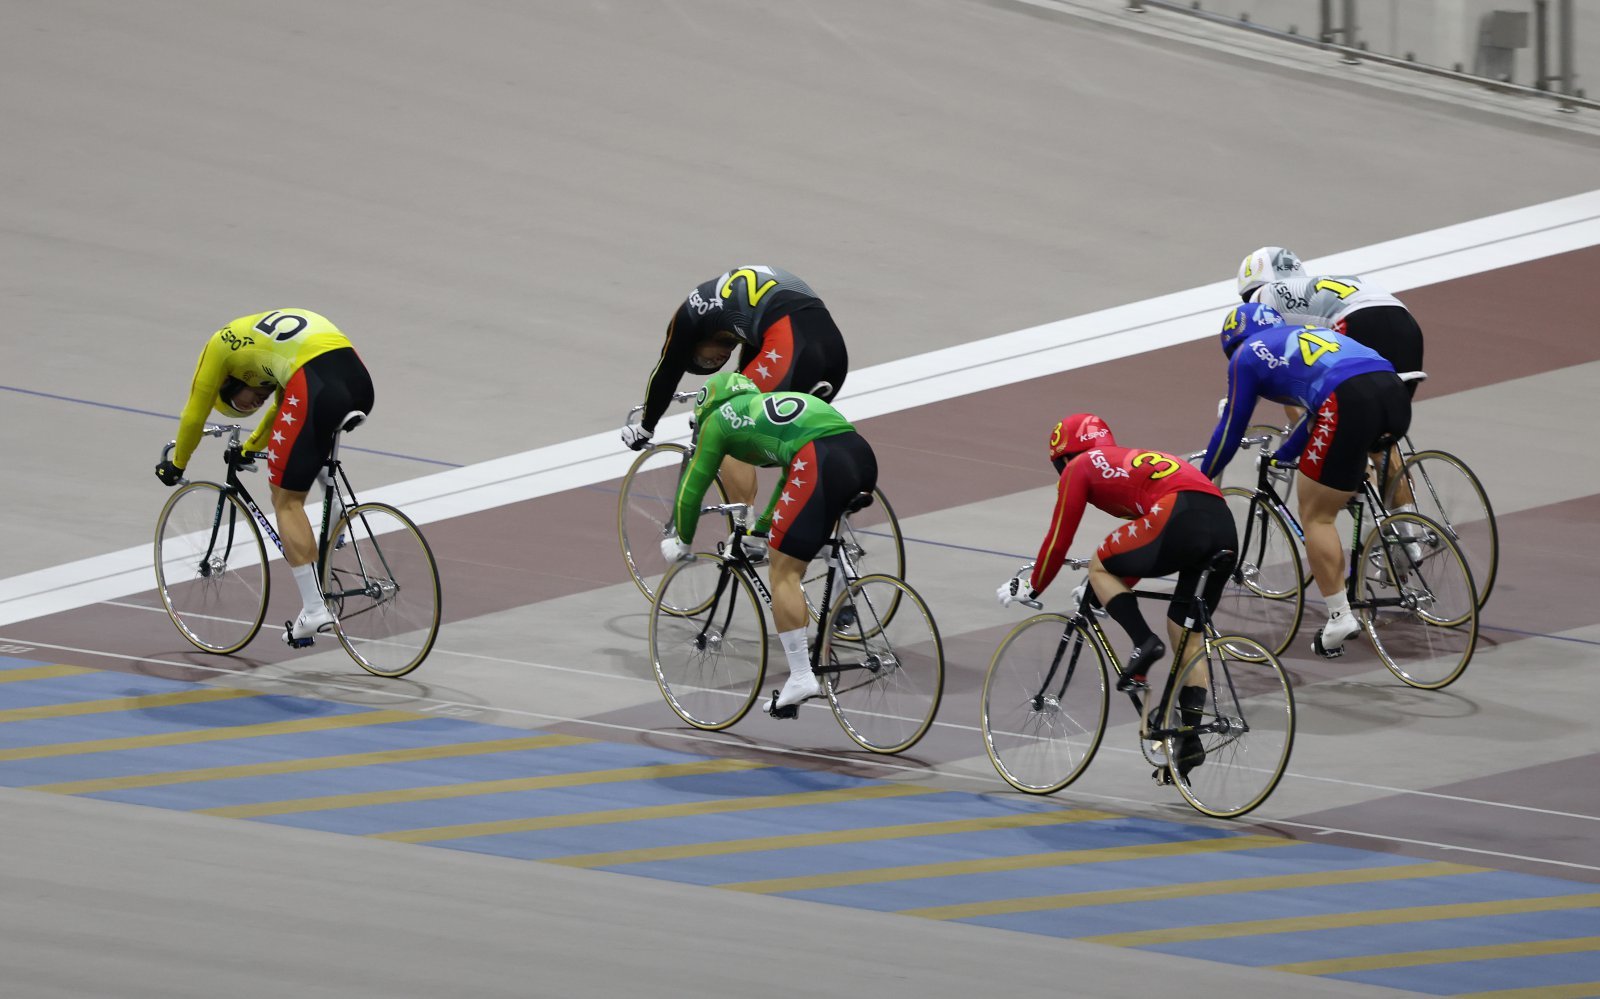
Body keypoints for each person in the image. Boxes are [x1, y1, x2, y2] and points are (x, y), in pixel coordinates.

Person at [996, 414, 1237, 778]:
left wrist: (1035, 584)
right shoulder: (1124, 458)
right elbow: (1146, 541)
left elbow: (1060, 538)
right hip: (1222, 524)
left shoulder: (1080, 466)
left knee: (1098, 565)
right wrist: (1114, 585)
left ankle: (1143, 643)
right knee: (1187, 636)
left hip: (1178, 516)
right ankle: (1188, 741)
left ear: (1064, 457)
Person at [1198, 303, 1411, 658]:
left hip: (1346, 400)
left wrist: (1201, 479)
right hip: (1392, 390)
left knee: (1316, 514)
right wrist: (1284, 455)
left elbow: (1230, 429)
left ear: (1233, 343)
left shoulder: (1245, 356)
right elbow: (1314, 415)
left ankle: (1340, 617)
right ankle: (1404, 539)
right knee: (1349, 466)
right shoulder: (1306, 336)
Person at [659, 371, 877, 714]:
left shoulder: (718, 420)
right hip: (859, 454)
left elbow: (693, 484)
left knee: (783, 571)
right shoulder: (764, 405)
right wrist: (761, 530)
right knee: (795, 538)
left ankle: (802, 676)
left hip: (817, 460)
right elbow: (792, 478)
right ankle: (841, 573)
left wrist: (682, 539)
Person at [154, 309, 374, 645]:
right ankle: (335, 517)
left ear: (229, 384)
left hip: (313, 381)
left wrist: (178, 464)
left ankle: (315, 610)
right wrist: (252, 446)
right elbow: (283, 410)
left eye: (244, 404)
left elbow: (194, 412)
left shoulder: (219, 347)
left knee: (285, 499)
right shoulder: (261, 350)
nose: (255, 402)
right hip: (356, 377)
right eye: (247, 409)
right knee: (306, 443)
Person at [621, 266, 849, 552]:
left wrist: (646, 425)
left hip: (791, 341)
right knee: (798, 443)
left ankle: (748, 530)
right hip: (833, 350)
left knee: (725, 424)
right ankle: (823, 533)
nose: (717, 361)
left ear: (693, 343)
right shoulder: (730, 317)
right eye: (709, 366)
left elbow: (667, 370)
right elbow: (747, 370)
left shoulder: (689, 317)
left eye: (704, 362)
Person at [1237, 245, 1426, 510]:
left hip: (1359, 323)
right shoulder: (1312, 287)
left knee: (1307, 398)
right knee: (1382, 437)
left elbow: (1265, 361)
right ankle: (1406, 537)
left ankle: (1353, 480)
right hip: (1405, 324)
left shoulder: (1263, 299)